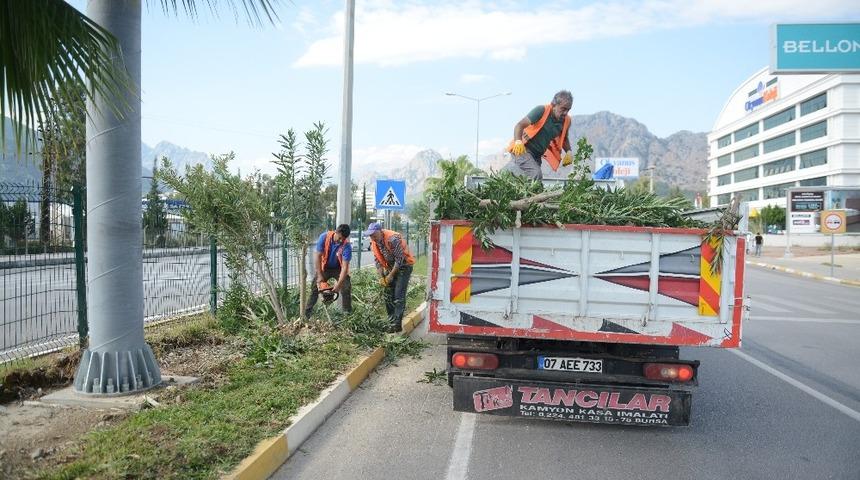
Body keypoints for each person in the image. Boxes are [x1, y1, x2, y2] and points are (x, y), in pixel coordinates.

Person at [507, 90, 574, 181]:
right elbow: (519, 125)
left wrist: (569, 152)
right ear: (553, 105)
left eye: (568, 109)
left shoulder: (566, 121)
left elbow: (564, 138)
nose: (566, 113)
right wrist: (518, 142)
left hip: (537, 154)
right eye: (563, 109)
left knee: (532, 181)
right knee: (536, 174)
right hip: (522, 149)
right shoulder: (541, 111)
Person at [364, 222, 415, 332]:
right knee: (387, 294)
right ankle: (391, 321)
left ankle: (397, 325)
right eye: (370, 235)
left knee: (398, 295)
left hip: (404, 266)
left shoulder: (392, 239)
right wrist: (381, 276)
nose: (372, 237)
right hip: (390, 266)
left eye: (374, 234)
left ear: (380, 231)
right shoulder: (374, 242)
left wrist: (391, 275)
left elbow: (399, 259)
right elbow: (377, 260)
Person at [305, 224, 352, 318]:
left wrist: (339, 285)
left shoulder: (346, 246)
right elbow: (317, 256)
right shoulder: (324, 237)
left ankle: (347, 315)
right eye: (339, 238)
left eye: (343, 239)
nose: (341, 241)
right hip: (325, 267)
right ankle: (307, 314)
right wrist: (319, 275)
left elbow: (344, 268)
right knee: (315, 287)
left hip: (338, 268)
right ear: (336, 232)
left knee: (346, 287)